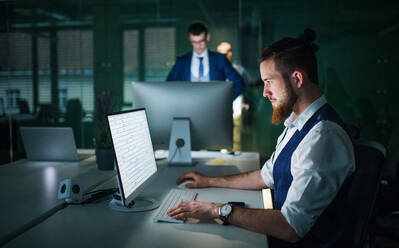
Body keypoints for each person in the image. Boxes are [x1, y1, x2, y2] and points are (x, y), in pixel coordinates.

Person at [167, 29, 355, 246]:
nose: (265, 92)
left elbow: (290, 226)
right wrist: (209, 181)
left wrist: (216, 210)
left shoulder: (323, 137)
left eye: (269, 81)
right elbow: (266, 176)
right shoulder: (297, 124)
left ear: (296, 79)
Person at [166, 21, 245, 99]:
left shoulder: (220, 59)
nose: (198, 46)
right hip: (187, 109)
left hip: (215, 109)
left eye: (201, 41)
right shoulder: (182, 62)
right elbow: (168, 87)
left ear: (207, 37)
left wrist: (225, 102)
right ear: (190, 39)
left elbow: (239, 83)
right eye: (194, 42)